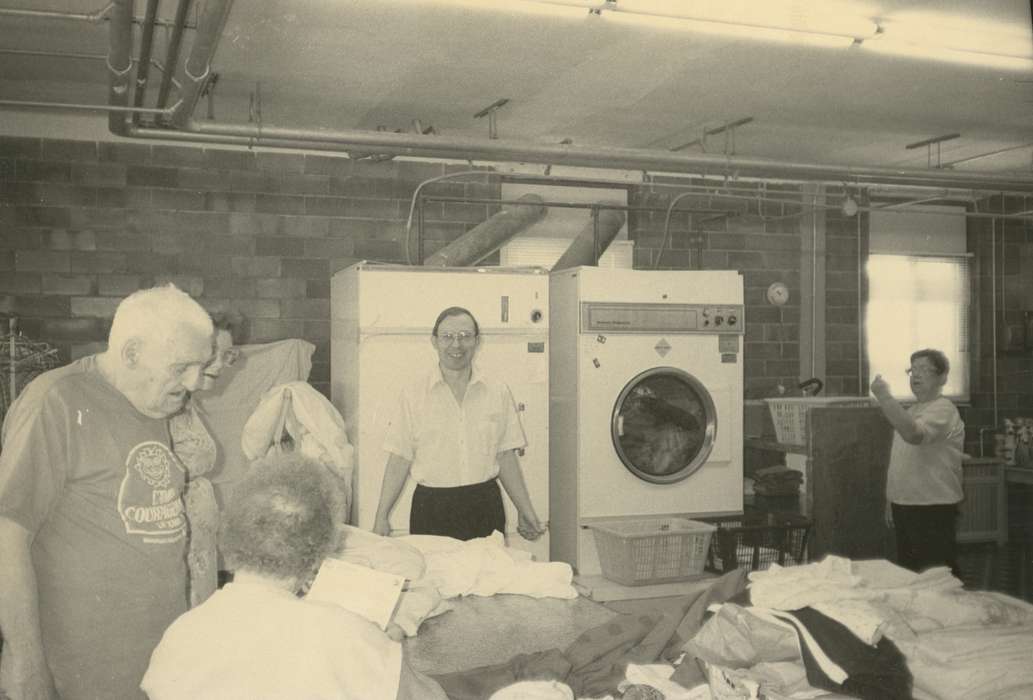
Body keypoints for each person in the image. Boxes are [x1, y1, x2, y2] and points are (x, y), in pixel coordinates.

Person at [0, 284, 214, 700]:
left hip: (153, 661)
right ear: (131, 353)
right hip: (78, 670)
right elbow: (7, 535)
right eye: (182, 367)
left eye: (200, 367)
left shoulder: (152, 400)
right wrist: (25, 662)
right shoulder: (57, 400)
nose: (195, 382)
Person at [141, 452, 447, 700]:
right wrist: (382, 652)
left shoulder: (181, 634)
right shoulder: (344, 634)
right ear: (320, 553)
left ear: (233, 532)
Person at [373, 306, 546, 542]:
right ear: (434, 341)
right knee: (435, 578)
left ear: (477, 341)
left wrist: (525, 511)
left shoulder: (497, 391)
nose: (457, 345)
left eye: (465, 336)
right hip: (431, 508)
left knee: (488, 577)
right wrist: (381, 516)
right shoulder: (413, 395)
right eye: (447, 337)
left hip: (484, 505)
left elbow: (506, 457)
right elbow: (399, 458)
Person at [170, 311, 243, 608]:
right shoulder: (159, 404)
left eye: (228, 355)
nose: (221, 365)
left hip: (198, 547)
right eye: (215, 354)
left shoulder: (184, 402)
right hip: (176, 546)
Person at [871, 348, 965, 576]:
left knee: (937, 576)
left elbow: (913, 435)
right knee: (911, 574)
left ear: (942, 377)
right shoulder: (912, 410)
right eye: (912, 369)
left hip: (933, 507)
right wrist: (891, 498)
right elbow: (901, 459)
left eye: (924, 369)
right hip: (906, 505)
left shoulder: (944, 409)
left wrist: (884, 396)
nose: (916, 375)